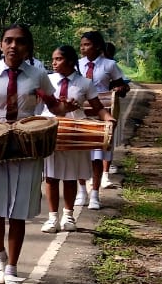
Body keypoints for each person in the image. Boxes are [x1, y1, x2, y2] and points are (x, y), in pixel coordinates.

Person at [0, 24, 75, 284]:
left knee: (18, 210)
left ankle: (13, 269)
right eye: (8, 41)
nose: (13, 46)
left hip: (25, 145)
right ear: (1, 45)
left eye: (20, 42)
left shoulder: (39, 75)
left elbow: (54, 106)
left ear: (28, 47)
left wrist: (65, 107)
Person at [39, 45, 111, 234]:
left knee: (70, 177)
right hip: (51, 131)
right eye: (53, 59)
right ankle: (52, 218)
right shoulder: (47, 81)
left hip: (75, 133)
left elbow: (97, 107)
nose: (54, 63)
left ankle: (68, 216)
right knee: (51, 176)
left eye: (58, 59)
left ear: (71, 61)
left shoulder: (85, 83)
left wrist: (107, 117)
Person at [77, 31, 129, 199]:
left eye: (87, 44)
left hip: (101, 112)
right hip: (81, 112)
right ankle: (82, 190)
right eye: (82, 45)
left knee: (98, 154)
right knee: (81, 153)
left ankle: (95, 193)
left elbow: (122, 86)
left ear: (98, 46)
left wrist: (120, 89)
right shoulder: (77, 65)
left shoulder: (109, 65)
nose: (83, 48)